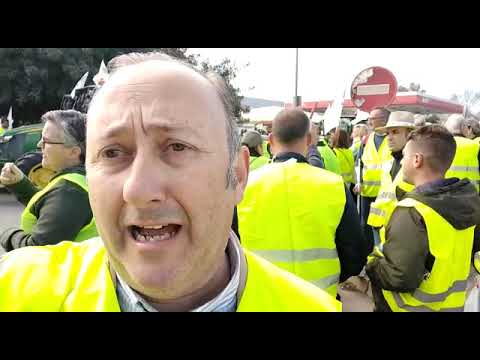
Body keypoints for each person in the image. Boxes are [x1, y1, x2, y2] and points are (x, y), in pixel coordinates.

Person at [0, 51, 340, 312]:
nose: (139, 190)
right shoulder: (14, 289)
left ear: (237, 175)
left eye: (177, 147)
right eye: (113, 152)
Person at [238, 108, 368, 298]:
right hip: (320, 301)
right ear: (309, 140)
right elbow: (355, 255)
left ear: (271, 140)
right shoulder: (334, 186)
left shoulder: (244, 187)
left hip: (261, 299)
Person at [363, 125, 480, 312]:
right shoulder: (468, 202)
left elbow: (400, 277)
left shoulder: (412, 211)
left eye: (404, 157)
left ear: (417, 160)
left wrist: (373, 264)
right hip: (452, 307)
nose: (401, 163)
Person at [0, 110, 97, 251]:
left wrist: (7, 235)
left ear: (73, 152)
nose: (39, 145)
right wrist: (21, 184)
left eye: (46, 141)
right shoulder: (79, 181)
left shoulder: (70, 191)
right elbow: (54, 210)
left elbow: (38, 249)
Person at [367, 111, 416, 248]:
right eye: (388, 133)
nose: (389, 137)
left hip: (402, 234)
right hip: (380, 226)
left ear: (410, 134)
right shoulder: (389, 163)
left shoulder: (417, 166)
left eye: (395, 132)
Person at [354, 107, 392, 253]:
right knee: (366, 226)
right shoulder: (366, 139)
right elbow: (360, 163)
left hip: (385, 193)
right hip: (366, 192)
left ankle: (383, 255)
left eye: (372, 119)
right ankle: (368, 256)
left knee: (382, 226)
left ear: (383, 120)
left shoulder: (392, 138)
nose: (369, 121)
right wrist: (359, 181)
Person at [444, 114, 480, 193]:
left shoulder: (440, 144)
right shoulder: (476, 146)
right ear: (464, 128)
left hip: (444, 194)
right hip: (472, 195)